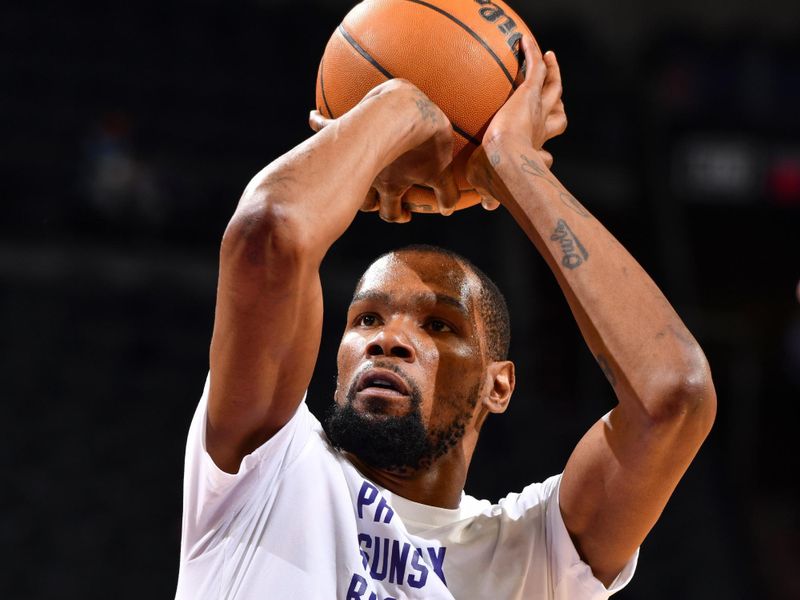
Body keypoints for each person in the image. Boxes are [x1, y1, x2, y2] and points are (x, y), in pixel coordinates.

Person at [175, 36, 716, 599]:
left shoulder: (530, 555)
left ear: (498, 385)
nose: (389, 340)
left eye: (438, 325)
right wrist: (400, 104)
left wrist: (514, 163)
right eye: (365, 320)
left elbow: (674, 398)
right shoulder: (268, 468)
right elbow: (267, 235)